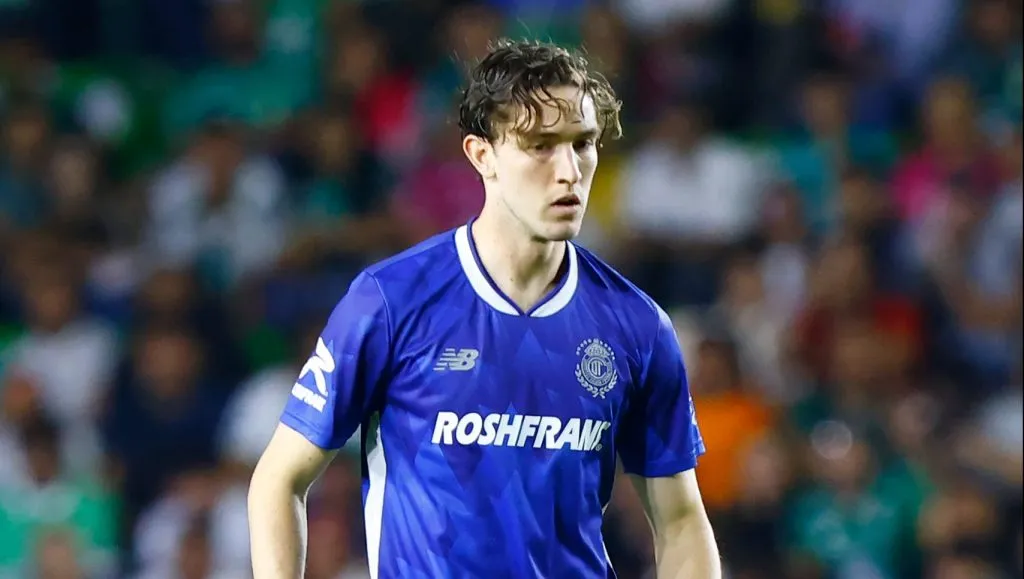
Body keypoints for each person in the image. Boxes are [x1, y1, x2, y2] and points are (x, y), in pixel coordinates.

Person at [248, 39, 721, 579]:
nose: (569, 170)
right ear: (482, 155)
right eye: (541, 145)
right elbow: (279, 480)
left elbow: (682, 520)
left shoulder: (637, 325)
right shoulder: (391, 301)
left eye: (583, 143)